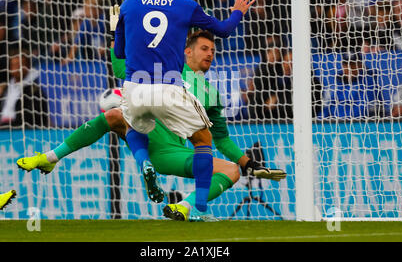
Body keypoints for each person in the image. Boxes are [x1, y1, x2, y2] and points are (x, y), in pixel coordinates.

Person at [16, 30, 286, 222]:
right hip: (146, 129)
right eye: (205, 48)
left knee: (231, 171)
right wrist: (116, 37)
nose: (210, 54)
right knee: (114, 115)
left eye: (213, 51)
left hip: (173, 152)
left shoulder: (211, 94)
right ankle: (50, 157)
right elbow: (122, 70)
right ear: (187, 51)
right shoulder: (165, 70)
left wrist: (248, 164)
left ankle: (182, 207)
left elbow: (222, 140)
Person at [112, 0, 255, 215]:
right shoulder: (185, 6)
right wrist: (237, 11)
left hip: (135, 87)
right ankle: (198, 206)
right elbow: (223, 30)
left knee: (133, 127)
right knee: (203, 139)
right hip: (167, 87)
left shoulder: (128, 6)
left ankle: (144, 162)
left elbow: (120, 52)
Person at [0, 48, 48, 128]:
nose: (17, 69)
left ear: (28, 66)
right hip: (0, 130)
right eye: (14, 65)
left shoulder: (34, 91)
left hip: (20, 132)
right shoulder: (6, 88)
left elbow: (31, 119)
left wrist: (3, 125)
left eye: (20, 65)